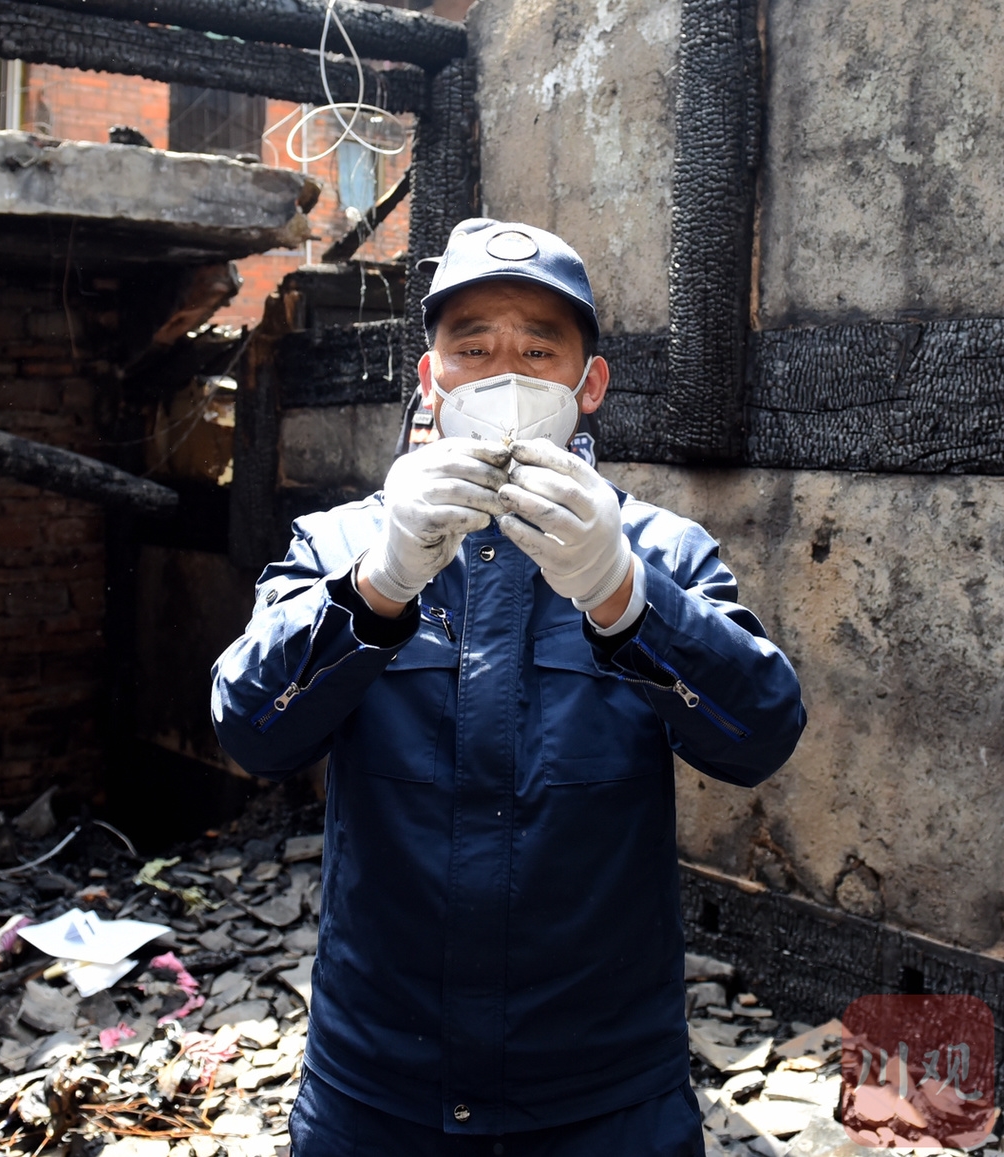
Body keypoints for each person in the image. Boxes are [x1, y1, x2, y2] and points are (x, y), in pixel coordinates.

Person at [211, 219, 807, 1156]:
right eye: (473, 349)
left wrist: (623, 595)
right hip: (379, 1088)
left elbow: (761, 734)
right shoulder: (341, 543)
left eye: (537, 351)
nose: (504, 377)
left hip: (605, 1095)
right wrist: (378, 585)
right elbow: (251, 731)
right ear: (431, 379)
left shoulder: (661, 551)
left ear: (588, 385)